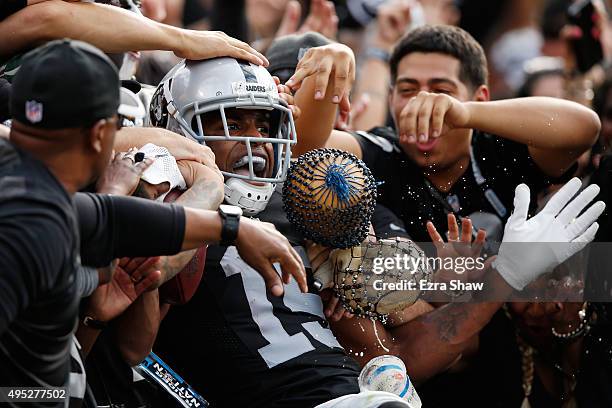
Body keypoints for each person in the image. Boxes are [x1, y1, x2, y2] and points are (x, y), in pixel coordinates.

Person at [148, 56, 603, 407]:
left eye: (265, 123)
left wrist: (491, 275)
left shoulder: (319, 214)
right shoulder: (163, 199)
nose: (255, 142)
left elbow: (408, 354)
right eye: (229, 121)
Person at [0, 39, 304, 394]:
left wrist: (95, 319)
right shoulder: (42, 223)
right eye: (234, 125)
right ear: (103, 135)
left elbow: (115, 348)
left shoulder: (58, 202)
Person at [290, 24, 601, 243]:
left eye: (442, 90)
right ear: (390, 99)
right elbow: (304, 153)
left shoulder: (500, 149)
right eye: (408, 90)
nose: (423, 103)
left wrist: (463, 114)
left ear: (480, 97)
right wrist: (331, 64)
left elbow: (584, 128)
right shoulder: (382, 151)